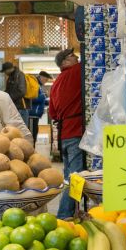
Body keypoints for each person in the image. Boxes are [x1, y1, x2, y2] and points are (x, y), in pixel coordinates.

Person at [49, 47, 85, 219]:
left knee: (69, 177)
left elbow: (53, 113)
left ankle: (73, 213)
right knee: (76, 179)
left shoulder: (56, 83)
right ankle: (64, 215)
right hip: (76, 132)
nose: (76, 57)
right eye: (72, 56)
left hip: (64, 135)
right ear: (64, 63)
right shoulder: (77, 71)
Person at [1, 61, 29, 125]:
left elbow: (22, 91)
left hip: (21, 108)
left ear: (9, 69)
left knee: (22, 130)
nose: (5, 73)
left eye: (5, 71)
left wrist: (9, 98)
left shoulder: (19, 75)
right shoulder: (11, 77)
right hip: (15, 107)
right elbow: (8, 90)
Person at [28, 70, 54, 141]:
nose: (45, 82)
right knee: (32, 134)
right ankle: (31, 149)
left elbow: (40, 99)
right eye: (45, 80)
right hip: (32, 114)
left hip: (36, 114)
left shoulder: (38, 85)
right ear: (41, 77)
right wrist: (44, 96)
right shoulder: (35, 85)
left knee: (35, 133)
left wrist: (48, 101)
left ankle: (33, 148)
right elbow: (32, 98)